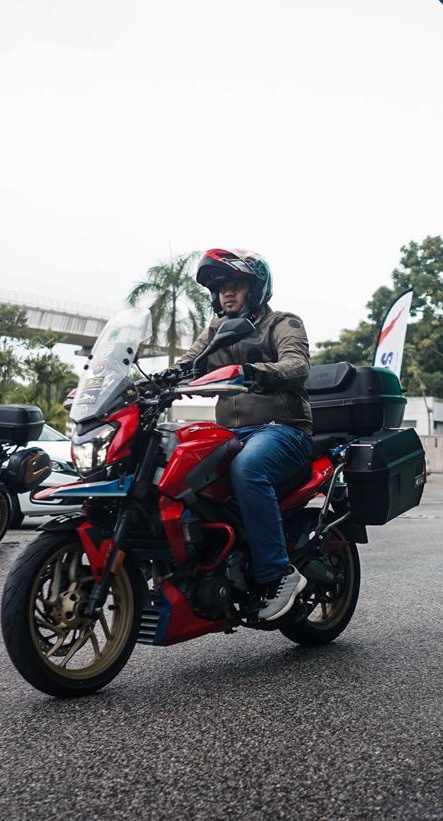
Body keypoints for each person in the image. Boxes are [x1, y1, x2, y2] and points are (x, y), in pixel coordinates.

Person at [176, 249, 312, 622]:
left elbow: (297, 364)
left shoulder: (282, 323)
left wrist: (251, 371)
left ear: (256, 289)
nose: (227, 293)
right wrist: (143, 384)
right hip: (231, 433)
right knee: (176, 468)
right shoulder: (215, 330)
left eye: (236, 285)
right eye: (221, 287)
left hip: (281, 429)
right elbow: (186, 363)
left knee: (248, 469)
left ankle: (278, 573)